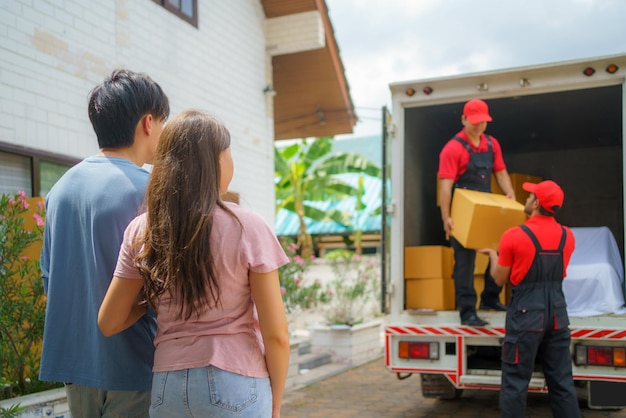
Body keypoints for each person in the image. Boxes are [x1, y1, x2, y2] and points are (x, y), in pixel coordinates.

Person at [98, 110, 291, 418]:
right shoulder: (247, 226)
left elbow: (109, 321)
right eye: (228, 153)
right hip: (236, 382)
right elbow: (277, 333)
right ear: (216, 160)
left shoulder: (143, 229)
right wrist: (276, 403)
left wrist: (156, 300)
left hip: (167, 388)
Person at [39, 69, 170, 417]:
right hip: (134, 365)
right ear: (147, 123)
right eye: (163, 121)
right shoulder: (150, 190)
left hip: (74, 366)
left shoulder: (60, 189)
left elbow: (49, 278)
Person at [479, 180, 580, 418]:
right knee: (562, 383)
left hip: (526, 314)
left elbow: (499, 279)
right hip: (557, 313)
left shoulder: (514, 235)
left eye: (529, 195)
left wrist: (493, 255)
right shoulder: (568, 236)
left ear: (536, 203)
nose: (526, 199)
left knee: (515, 383)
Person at [438, 98, 515, 326]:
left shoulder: (492, 144)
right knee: (464, 262)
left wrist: (509, 194)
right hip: (462, 211)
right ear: (463, 119)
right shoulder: (452, 149)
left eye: (483, 122)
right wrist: (446, 217)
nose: (478, 126)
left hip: (485, 206)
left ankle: (490, 298)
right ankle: (467, 311)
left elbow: (500, 172)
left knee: (500, 251)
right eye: (474, 122)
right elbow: (445, 186)